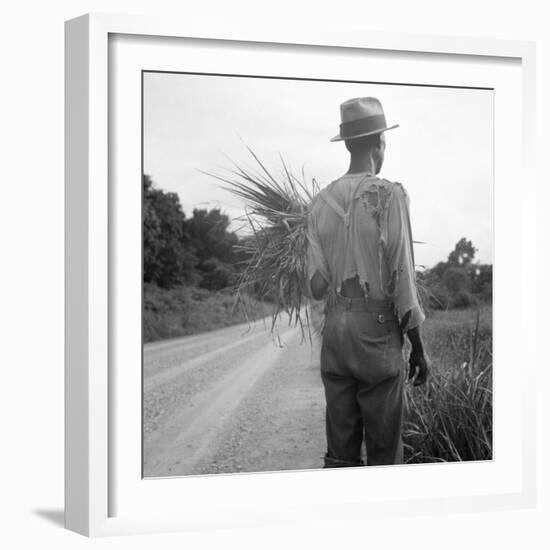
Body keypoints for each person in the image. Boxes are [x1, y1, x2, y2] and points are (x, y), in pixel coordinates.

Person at [306, 96, 429, 467]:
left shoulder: (318, 204)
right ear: (380, 142)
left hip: (336, 335)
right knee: (383, 453)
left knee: (340, 454)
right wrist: (418, 348)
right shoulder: (390, 195)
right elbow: (403, 278)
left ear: (345, 143)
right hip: (376, 337)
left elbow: (316, 287)